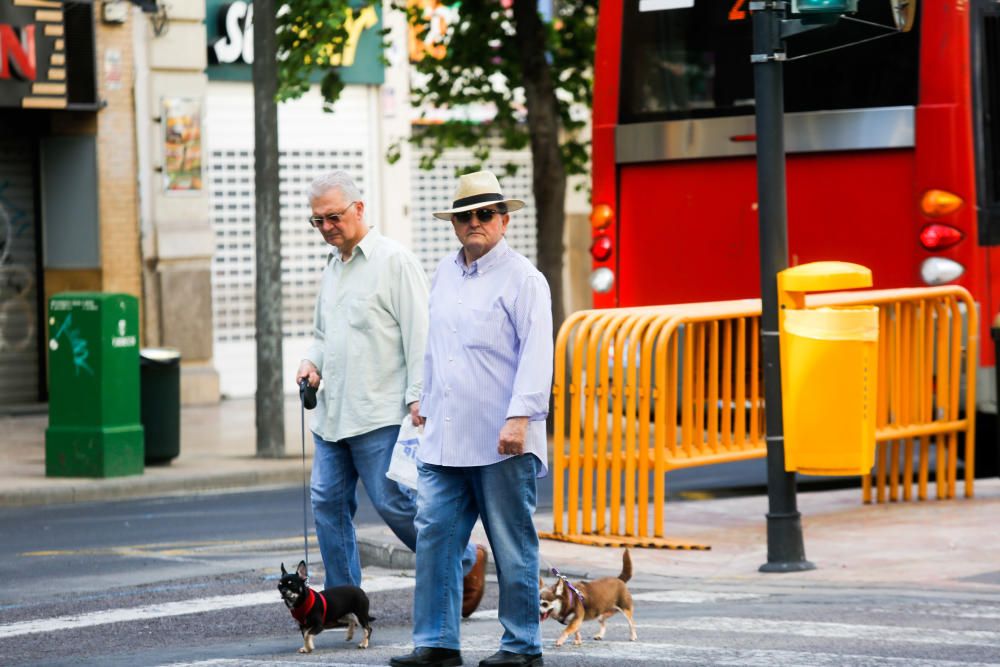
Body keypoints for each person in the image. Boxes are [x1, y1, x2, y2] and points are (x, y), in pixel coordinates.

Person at [295, 171, 486, 615]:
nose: (326, 228)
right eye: (317, 221)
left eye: (333, 217)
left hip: (379, 412)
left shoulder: (394, 261)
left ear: (359, 210)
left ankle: (465, 558)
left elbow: (422, 334)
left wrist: (419, 397)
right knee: (325, 501)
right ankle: (343, 601)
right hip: (332, 413)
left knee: (396, 502)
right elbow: (323, 335)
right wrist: (312, 361)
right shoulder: (333, 267)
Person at [390, 171, 554, 667]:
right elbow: (434, 344)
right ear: (455, 224)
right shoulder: (442, 271)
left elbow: (537, 353)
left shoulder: (524, 278)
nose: (475, 223)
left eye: (486, 214)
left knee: (511, 542)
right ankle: (438, 643)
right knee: (436, 537)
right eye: (465, 216)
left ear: (505, 221)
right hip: (445, 435)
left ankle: (522, 646)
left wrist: (520, 417)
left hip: (501, 436)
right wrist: (420, 397)